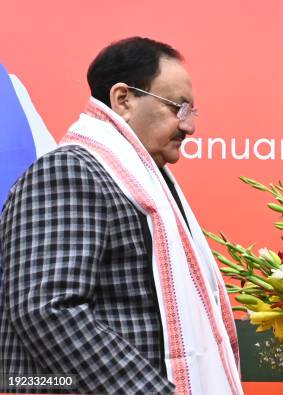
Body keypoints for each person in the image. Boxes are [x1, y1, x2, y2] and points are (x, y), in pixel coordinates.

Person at [0, 37, 242, 395]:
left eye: (191, 112)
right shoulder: (70, 171)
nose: (189, 127)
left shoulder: (148, 181)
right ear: (123, 100)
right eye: (178, 107)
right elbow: (48, 310)